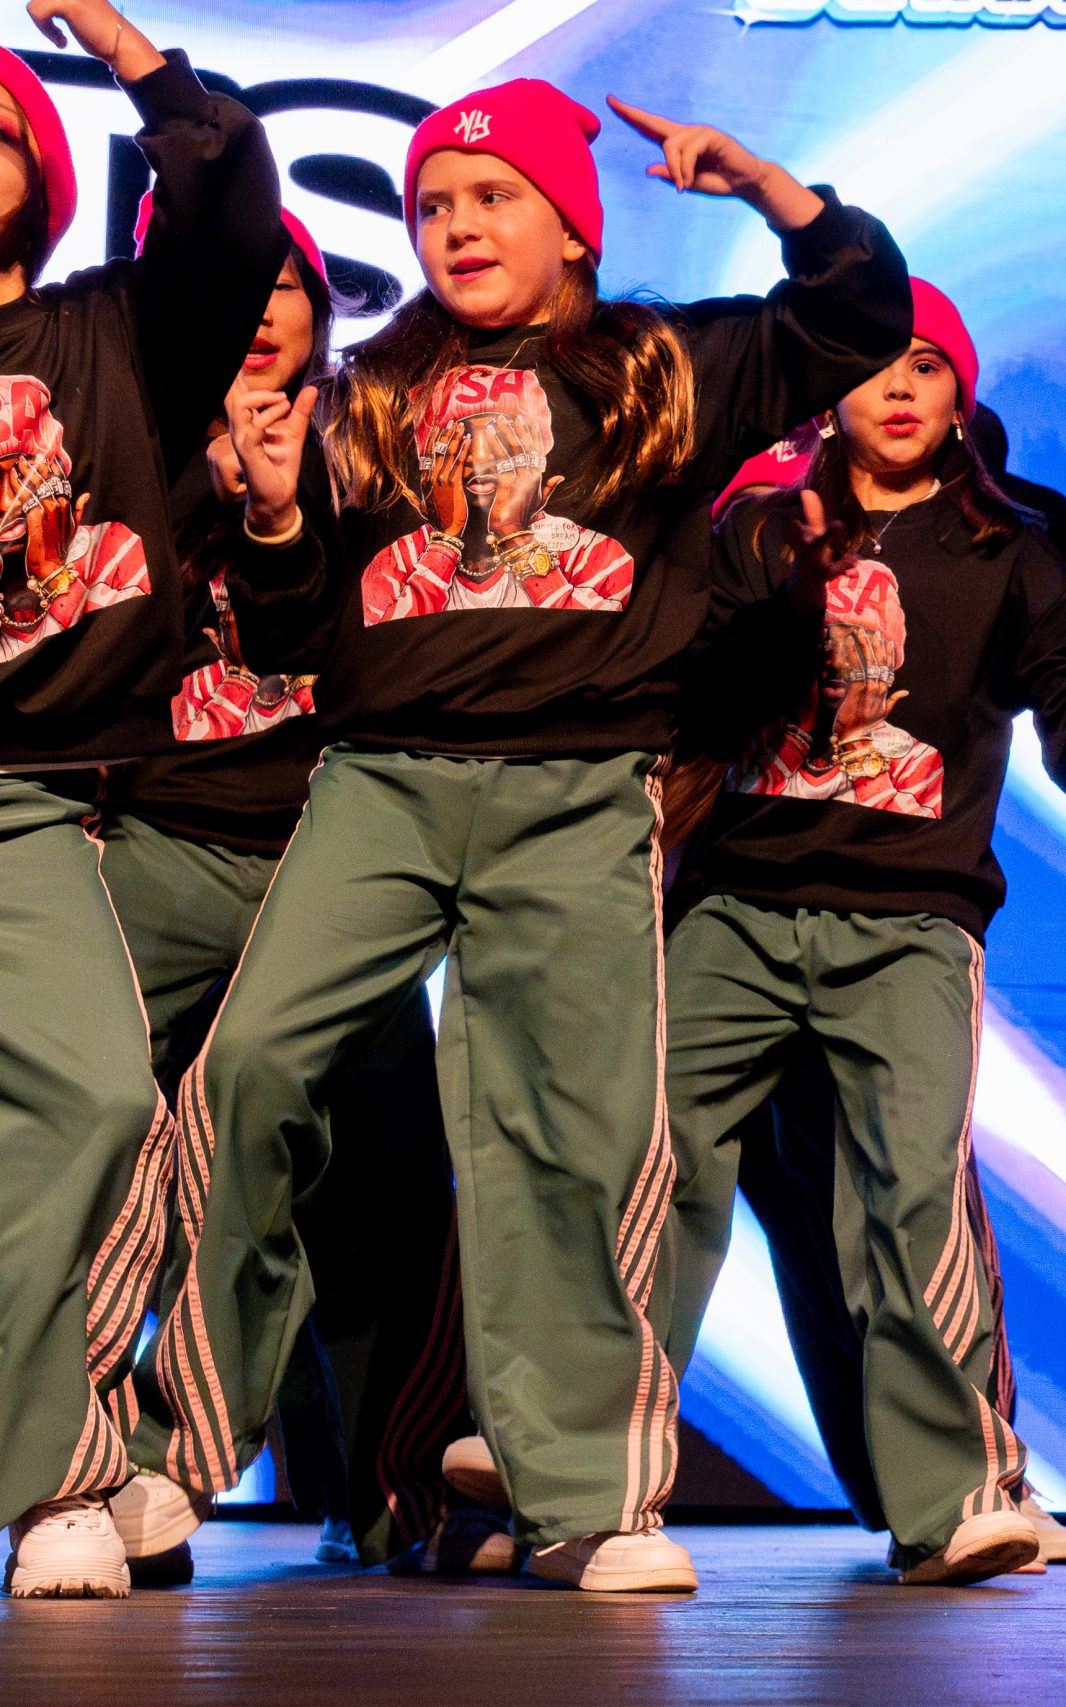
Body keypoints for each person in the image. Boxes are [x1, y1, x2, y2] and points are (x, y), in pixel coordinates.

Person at [125, 73, 913, 1594]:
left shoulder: (665, 368)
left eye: (494, 197)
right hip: (382, 785)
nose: (457, 225)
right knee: (255, 1067)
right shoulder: (366, 394)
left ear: (573, 224)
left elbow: (857, 315)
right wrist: (281, 522)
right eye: (432, 204)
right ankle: (170, 1453)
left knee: (573, 1130)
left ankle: (587, 1497)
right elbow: (292, 635)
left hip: (576, 790)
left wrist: (769, 190)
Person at [659, 276, 1066, 1585]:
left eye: (928, 367)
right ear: (826, 389)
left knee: (909, 1199)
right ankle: (584, 1473)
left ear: (961, 401)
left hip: (907, 915)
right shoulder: (759, 522)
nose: (900, 386)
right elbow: (685, 687)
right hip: (735, 903)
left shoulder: (1005, 551)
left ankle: (951, 1497)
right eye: (875, 364)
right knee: (648, 1167)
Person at [91, 203, 472, 1581]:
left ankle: (405, 1492)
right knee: (87, 1157)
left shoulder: (376, 442)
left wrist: (283, 507)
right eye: (226, 280)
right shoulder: (108, 431)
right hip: (148, 847)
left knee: (383, 1191)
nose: (259, 309)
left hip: (332, 854)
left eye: (285, 283)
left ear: (321, 303)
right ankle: (87, 1477)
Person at [0, 3, 285, 1600]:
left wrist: (123, 47)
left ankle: (47, 1465)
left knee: (102, 1100)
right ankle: (55, 1466)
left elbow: (233, 206)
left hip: (30, 797)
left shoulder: (113, 331)